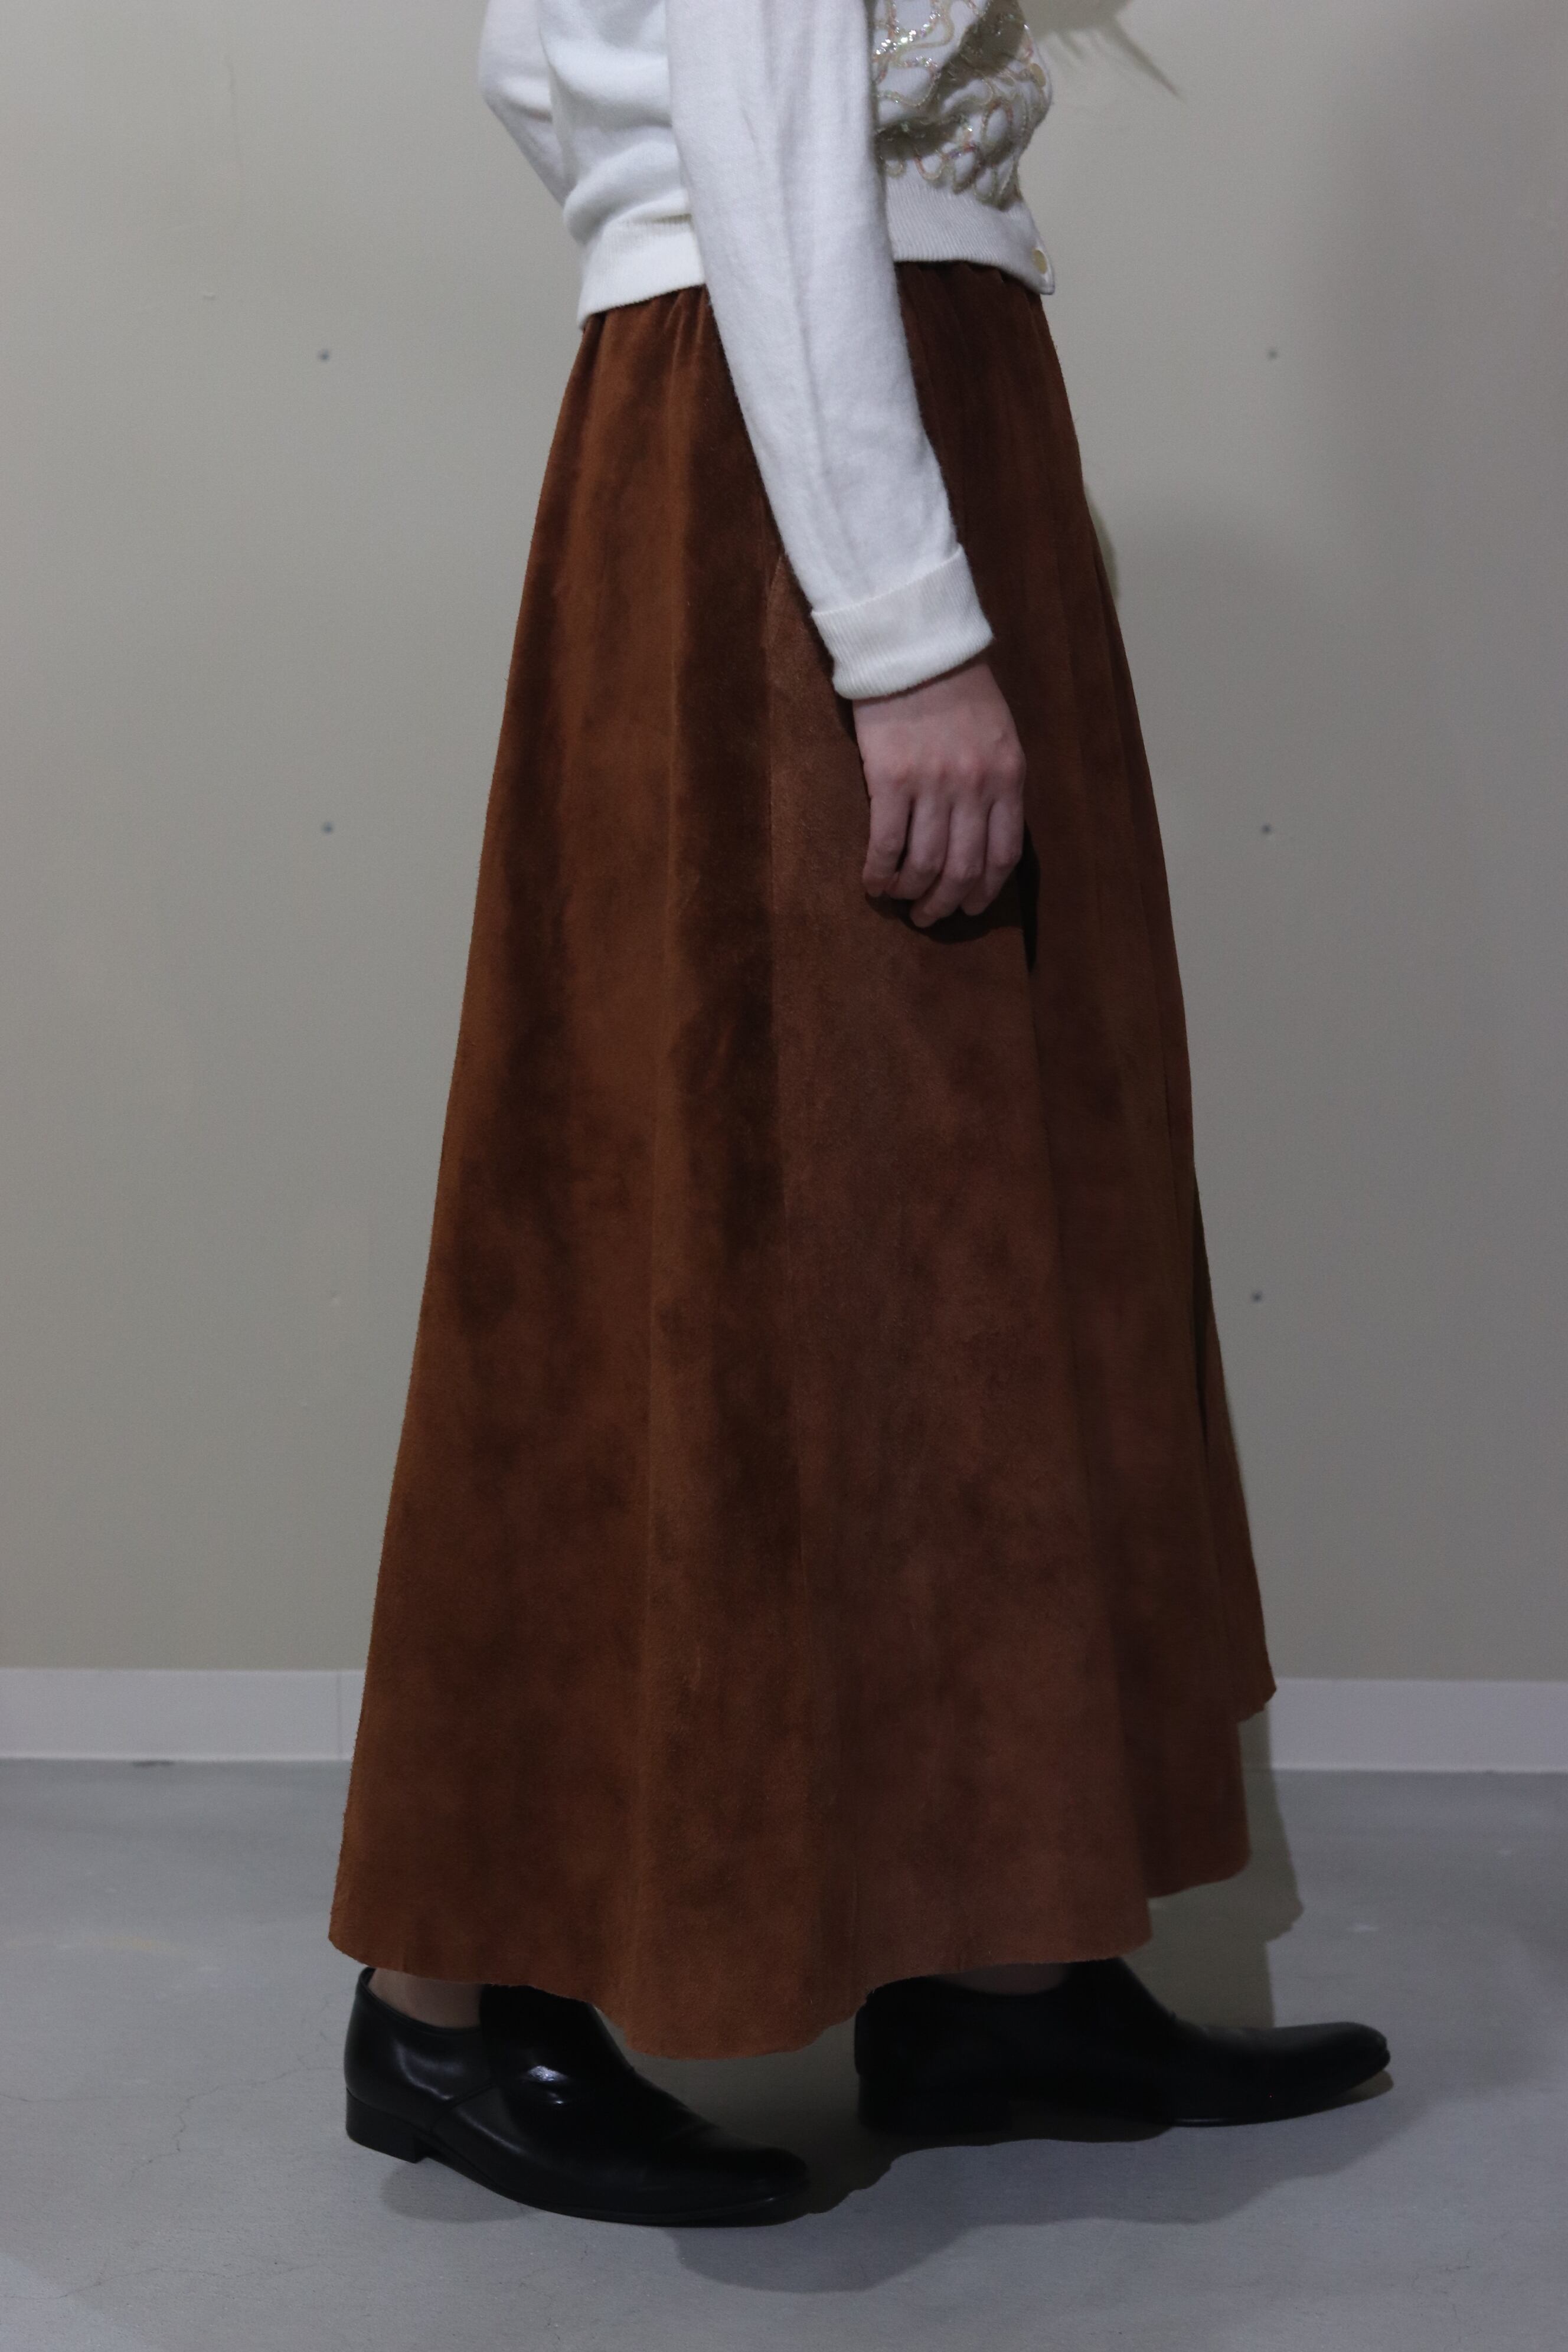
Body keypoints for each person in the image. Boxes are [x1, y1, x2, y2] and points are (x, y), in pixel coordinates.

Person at [328, 0, 1389, 2227]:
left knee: (966, 1231)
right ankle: (453, 2005)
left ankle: (999, 1967)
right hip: (800, 444)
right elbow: (751, 115)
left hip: (852, 413)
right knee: (701, 1207)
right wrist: (902, 630)